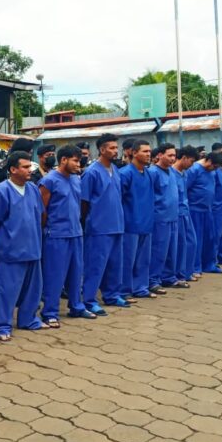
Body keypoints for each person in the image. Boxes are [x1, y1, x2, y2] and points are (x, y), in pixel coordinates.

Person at [0, 151, 48, 340]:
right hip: (11, 251)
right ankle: (2, 326)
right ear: (13, 169)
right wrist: (8, 236)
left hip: (33, 248)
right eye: (25, 167)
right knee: (7, 291)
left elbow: (39, 215)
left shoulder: (33, 189)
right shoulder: (1, 191)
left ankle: (28, 319)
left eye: (30, 166)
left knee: (32, 289)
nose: (30, 170)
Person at [39, 145, 95, 323]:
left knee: (76, 273)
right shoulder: (49, 181)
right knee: (55, 275)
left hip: (76, 233)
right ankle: (50, 312)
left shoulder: (76, 179)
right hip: (56, 235)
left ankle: (76, 307)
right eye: (75, 161)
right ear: (63, 160)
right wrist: (48, 228)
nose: (79, 164)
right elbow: (42, 209)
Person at [81, 133, 128, 315]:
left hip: (116, 224)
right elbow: (83, 203)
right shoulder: (92, 172)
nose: (115, 151)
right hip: (99, 227)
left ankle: (112, 295)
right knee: (95, 265)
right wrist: (89, 222)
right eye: (111, 148)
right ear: (102, 150)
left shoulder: (115, 170)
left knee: (115, 263)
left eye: (116, 148)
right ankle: (89, 300)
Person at [120, 140, 156, 298]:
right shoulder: (125, 174)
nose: (148, 154)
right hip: (130, 224)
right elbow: (118, 200)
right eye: (145, 151)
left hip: (146, 222)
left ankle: (140, 288)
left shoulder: (148, 173)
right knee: (128, 260)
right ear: (134, 153)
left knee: (143, 260)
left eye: (149, 151)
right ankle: (124, 290)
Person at [149, 143, 183, 292]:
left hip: (172, 217)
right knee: (158, 251)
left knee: (171, 250)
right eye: (169, 155)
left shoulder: (172, 172)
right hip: (159, 218)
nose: (172, 158)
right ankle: (153, 280)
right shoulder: (153, 172)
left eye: (174, 156)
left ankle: (169, 277)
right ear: (159, 155)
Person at [186, 150, 222, 275]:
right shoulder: (194, 170)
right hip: (194, 210)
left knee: (210, 239)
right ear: (208, 160)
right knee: (197, 240)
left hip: (207, 210)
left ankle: (209, 264)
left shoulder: (212, 172)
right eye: (214, 166)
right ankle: (195, 267)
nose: (214, 169)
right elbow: (185, 188)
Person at [173, 145, 199, 283]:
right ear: (184, 158)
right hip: (175, 213)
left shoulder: (185, 173)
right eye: (191, 161)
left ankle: (187, 271)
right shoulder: (171, 173)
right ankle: (179, 273)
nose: (192, 165)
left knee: (191, 242)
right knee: (180, 245)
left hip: (185, 212)